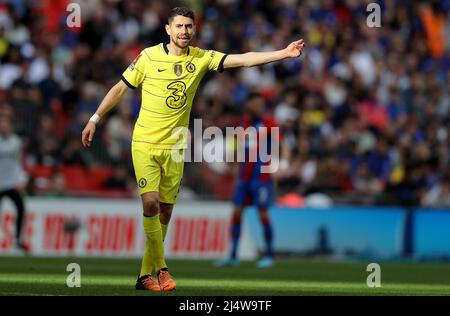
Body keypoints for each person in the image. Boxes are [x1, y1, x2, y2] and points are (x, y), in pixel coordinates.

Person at [81, 7, 305, 292]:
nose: (184, 31)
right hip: (145, 143)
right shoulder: (148, 57)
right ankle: (162, 268)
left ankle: (143, 275)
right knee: (149, 203)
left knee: (164, 212)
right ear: (168, 29)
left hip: (176, 149)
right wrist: (94, 119)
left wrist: (282, 54)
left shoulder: (201, 58)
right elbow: (119, 88)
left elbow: (244, 60)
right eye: (179, 26)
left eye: (189, 26)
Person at [215, 93, 286, 268]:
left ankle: (269, 255)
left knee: (262, 213)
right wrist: (232, 163)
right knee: (237, 212)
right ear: (249, 105)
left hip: (261, 177)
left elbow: (283, 144)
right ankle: (233, 256)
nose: (259, 107)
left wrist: (282, 164)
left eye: (261, 104)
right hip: (244, 177)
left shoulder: (268, 122)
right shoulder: (243, 123)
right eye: (256, 104)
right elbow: (239, 146)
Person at [0, 115, 28, 251]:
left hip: (10, 183)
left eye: (5, 124)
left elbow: (18, 162)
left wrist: (20, 179)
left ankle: (17, 240)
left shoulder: (15, 142)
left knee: (21, 208)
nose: (3, 126)